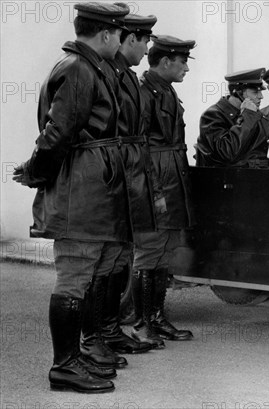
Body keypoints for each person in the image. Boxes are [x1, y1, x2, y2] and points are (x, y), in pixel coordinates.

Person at [12, 2, 131, 393]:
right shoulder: (79, 69)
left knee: (84, 274)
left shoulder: (86, 66)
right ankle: (63, 366)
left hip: (89, 187)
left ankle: (73, 357)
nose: (121, 41)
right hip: (79, 189)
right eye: (119, 34)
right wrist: (34, 172)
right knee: (75, 275)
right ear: (107, 34)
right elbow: (57, 134)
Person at [100, 11, 159, 355]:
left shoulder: (126, 77)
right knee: (107, 258)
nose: (147, 47)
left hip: (130, 174)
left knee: (121, 256)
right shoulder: (109, 75)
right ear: (130, 39)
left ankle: (110, 331)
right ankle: (101, 335)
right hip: (115, 175)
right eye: (145, 40)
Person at [132, 35, 196, 348]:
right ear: (166, 61)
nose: (186, 68)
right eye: (182, 61)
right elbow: (138, 146)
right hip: (155, 179)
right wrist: (152, 190)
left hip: (169, 178)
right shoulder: (145, 94)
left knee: (164, 253)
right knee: (148, 253)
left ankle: (156, 318)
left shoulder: (164, 91)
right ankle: (142, 323)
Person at [196, 68, 269, 167]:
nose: (261, 96)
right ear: (238, 92)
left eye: (260, 91)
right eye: (255, 92)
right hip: (227, 179)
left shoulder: (256, 116)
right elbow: (228, 153)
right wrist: (247, 117)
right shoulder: (213, 116)